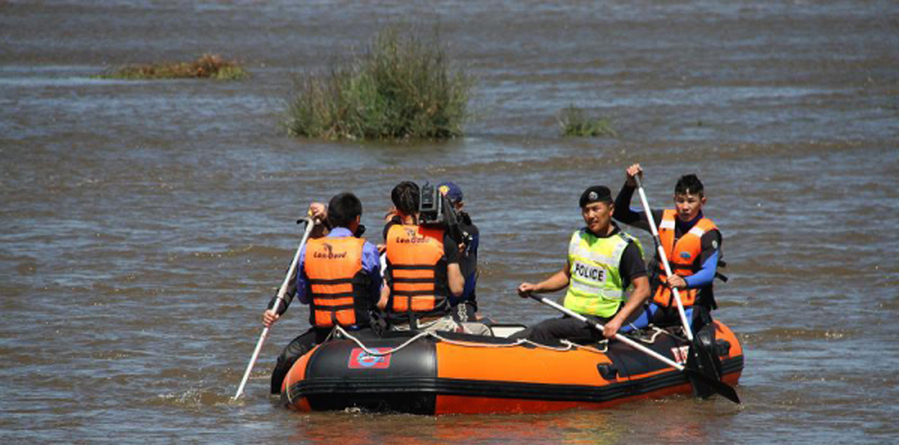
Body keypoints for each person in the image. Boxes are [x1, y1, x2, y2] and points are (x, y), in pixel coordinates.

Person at [263, 192, 381, 394]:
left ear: (330, 219)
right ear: (357, 220)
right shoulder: (367, 249)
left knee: (286, 358)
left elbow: (304, 296)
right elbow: (375, 295)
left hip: (321, 333)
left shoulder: (306, 251)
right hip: (360, 331)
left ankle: (277, 403)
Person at [512, 185, 650, 345]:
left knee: (543, 330)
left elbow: (643, 289)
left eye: (596, 209)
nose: (590, 215)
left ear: (610, 209)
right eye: (586, 210)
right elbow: (566, 275)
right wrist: (536, 288)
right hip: (573, 316)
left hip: (600, 322)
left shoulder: (625, 246)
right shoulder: (579, 238)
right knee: (522, 335)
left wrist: (617, 321)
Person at [613, 164, 723, 332]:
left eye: (691, 201)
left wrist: (684, 282)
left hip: (690, 306)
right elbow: (619, 213)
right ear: (674, 199)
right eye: (680, 200)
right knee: (619, 329)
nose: (685, 207)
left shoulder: (708, 233)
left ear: (702, 202)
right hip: (659, 303)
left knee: (699, 342)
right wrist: (630, 185)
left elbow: (708, 274)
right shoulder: (660, 219)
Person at [380, 181, 488, 334]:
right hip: (435, 324)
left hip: (399, 325)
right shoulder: (443, 238)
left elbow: (393, 221)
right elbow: (457, 289)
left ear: (397, 210)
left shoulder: (390, 233)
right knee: (483, 331)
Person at [437, 181, 481, 323]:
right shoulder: (431, 229)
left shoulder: (469, 230)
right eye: (439, 205)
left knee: (466, 328)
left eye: (447, 206)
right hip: (437, 299)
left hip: (460, 301)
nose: (442, 211)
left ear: (460, 206)